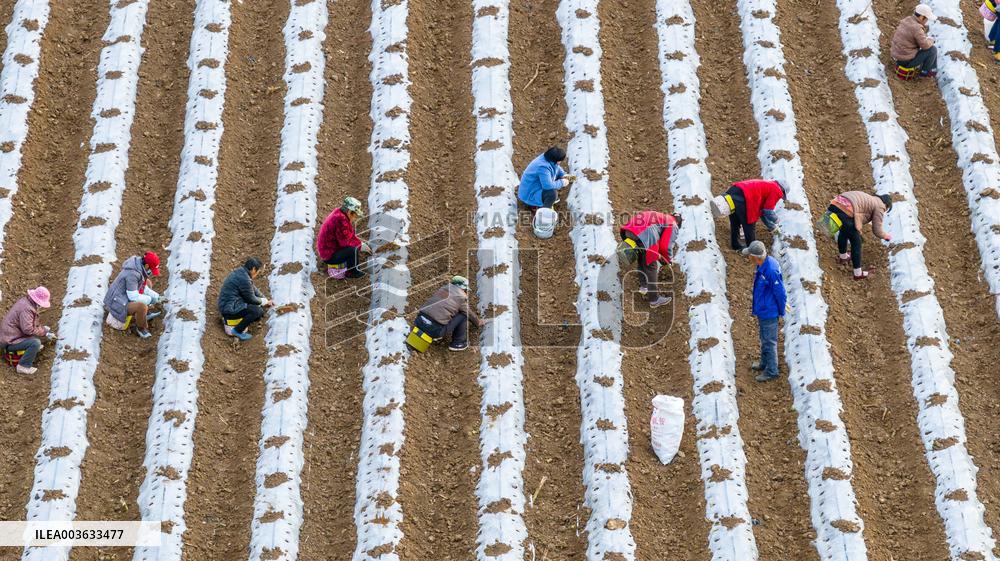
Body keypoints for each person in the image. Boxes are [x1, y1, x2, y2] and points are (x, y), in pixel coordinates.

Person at [618, 210, 682, 308]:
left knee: (642, 258)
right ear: (678, 223)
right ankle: (654, 299)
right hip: (643, 235)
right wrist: (667, 260)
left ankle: (644, 287)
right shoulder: (673, 224)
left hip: (628, 231)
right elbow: (665, 246)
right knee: (651, 265)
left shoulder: (662, 217)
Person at [744, 241, 786, 383]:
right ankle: (764, 362)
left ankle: (772, 371)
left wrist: (781, 311)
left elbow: (780, 293)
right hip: (763, 309)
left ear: (756, 257)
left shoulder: (771, 270)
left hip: (769, 311)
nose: (748, 258)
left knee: (769, 341)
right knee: (764, 338)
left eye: (750, 256)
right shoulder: (763, 265)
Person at [827, 191, 893, 280]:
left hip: (835, 204)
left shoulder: (871, 199)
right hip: (846, 211)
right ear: (887, 205)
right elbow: (877, 230)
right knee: (856, 242)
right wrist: (886, 236)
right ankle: (858, 274)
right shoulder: (880, 206)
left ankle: (843, 257)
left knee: (844, 231)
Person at [414, 276, 484, 352]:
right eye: (465, 290)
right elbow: (468, 313)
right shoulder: (460, 297)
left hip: (418, 322)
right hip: (434, 330)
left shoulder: (442, 290)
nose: (466, 291)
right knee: (463, 315)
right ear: (462, 288)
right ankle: (458, 343)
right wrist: (478, 322)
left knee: (449, 309)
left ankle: (432, 332)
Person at [104, 252, 162, 339]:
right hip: (117, 302)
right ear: (146, 266)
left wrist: (156, 296)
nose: (151, 272)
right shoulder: (132, 274)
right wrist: (149, 299)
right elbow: (133, 296)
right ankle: (140, 328)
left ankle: (144, 315)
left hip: (123, 297)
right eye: (151, 269)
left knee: (147, 283)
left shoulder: (138, 267)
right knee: (142, 307)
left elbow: (143, 287)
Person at [0, 287, 55, 375]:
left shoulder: (26, 302)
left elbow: (30, 323)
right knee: (35, 343)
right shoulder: (27, 309)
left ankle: (29, 350)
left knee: (35, 339)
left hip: (11, 336)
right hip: (9, 341)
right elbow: (28, 330)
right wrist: (44, 332)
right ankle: (23, 366)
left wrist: (43, 329)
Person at [718, 179, 785, 251]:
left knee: (735, 221)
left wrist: (772, 227)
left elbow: (763, 213)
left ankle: (736, 245)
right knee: (749, 224)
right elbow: (768, 211)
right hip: (744, 197)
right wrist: (776, 220)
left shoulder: (768, 185)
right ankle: (753, 251)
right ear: (783, 191)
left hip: (733, 191)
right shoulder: (777, 190)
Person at [218, 257, 272, 341]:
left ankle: (237, 322)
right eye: (258, 271)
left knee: (259, 310)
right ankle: (237, 330)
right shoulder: (244, 279)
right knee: (257, 311)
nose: (257, 274)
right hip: (229, 309)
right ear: (253, 269)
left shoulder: (241, 273)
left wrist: (266, 300)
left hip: (229, 304)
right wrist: (263, 302)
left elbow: (253, 289)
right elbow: (251, 299)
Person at [316, 196, 371, 279]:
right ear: (349, 212)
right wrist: (360, 246)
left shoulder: (340, 214)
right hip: (329, 255)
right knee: (352, 250)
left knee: (354, 246)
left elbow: (348, 235)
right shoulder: (341, 220)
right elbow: (345, 243)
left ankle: (349, 266)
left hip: (329, 249)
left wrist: (360, 243)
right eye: (355, 215)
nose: (355, 218)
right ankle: (352, 272)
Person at [517, 146, 576, 213]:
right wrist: (562, 182)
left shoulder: (548, 158)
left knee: (553, 184)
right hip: (529, 194)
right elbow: (547, 186)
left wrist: (563, 175)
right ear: (556, 160)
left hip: (535, 187)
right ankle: (543, 210)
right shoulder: (543, 167)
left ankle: (543, 201)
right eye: (560, 161)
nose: (560, 162)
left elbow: (556, 167)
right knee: (552, 194)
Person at [891, 4, 938, 78]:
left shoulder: (907, 20)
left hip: (897, 56)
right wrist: (931, 40)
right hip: (905, 61)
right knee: (932, 50)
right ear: (922, 17)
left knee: (928, 49)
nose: (927, 21)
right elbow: (925, 46)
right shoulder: (917, 28)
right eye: (927, 19)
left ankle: (931, 70)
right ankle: (925, 73)